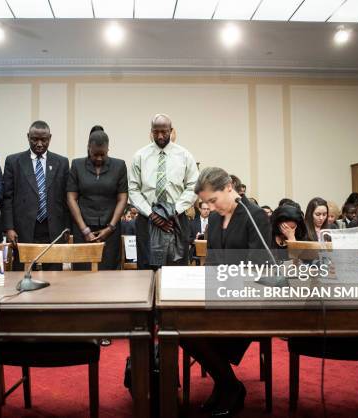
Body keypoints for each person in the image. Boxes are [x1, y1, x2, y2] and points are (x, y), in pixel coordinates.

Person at [180, 167, 270, 417]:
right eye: (205, 202)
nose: (209, 207)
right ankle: (228, 385)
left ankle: (228, 387)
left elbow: (259, 267)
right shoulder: (217, 218)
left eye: (213, 200)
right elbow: (213, 261)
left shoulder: (255, 216)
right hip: (221, 296)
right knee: (180, 327)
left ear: (229, 187)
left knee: (193, 331)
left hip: (248, 303)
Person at [128, 114, 199, 269]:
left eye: (164, 132)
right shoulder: (140, 156)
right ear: (151, 131)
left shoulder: (185, 155)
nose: (160, 136)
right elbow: (133, 189)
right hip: (147, 219)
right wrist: (152, 215)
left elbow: (193, 186)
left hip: (176, 219)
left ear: (171, 130)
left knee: (176, 269)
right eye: (156, 132)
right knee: (147, 269)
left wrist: (174, 211)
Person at [2, 120, 70, 270]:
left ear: (50, 138)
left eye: (44, 140)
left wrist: (67, 227)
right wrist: (9, 228)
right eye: (34, 139)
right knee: (22, 276)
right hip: (23, 229)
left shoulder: (62, 162)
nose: (39, 144)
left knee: (54, 278)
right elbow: (7, 197)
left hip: (53, 229)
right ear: (28, 137)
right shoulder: (13, 161)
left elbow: (67, 198)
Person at [67, 129, 128, 270]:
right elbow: (71, 198)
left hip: (110, 230)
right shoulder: (77, 165)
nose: (99, 158)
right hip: (83, 229)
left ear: (108, 149)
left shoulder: (119, 166)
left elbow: (123, 198)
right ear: (89, 148)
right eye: (95, 154)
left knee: (109, 274)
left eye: (103, 154)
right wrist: (84, 230)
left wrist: (111, 227)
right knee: (82, 274)